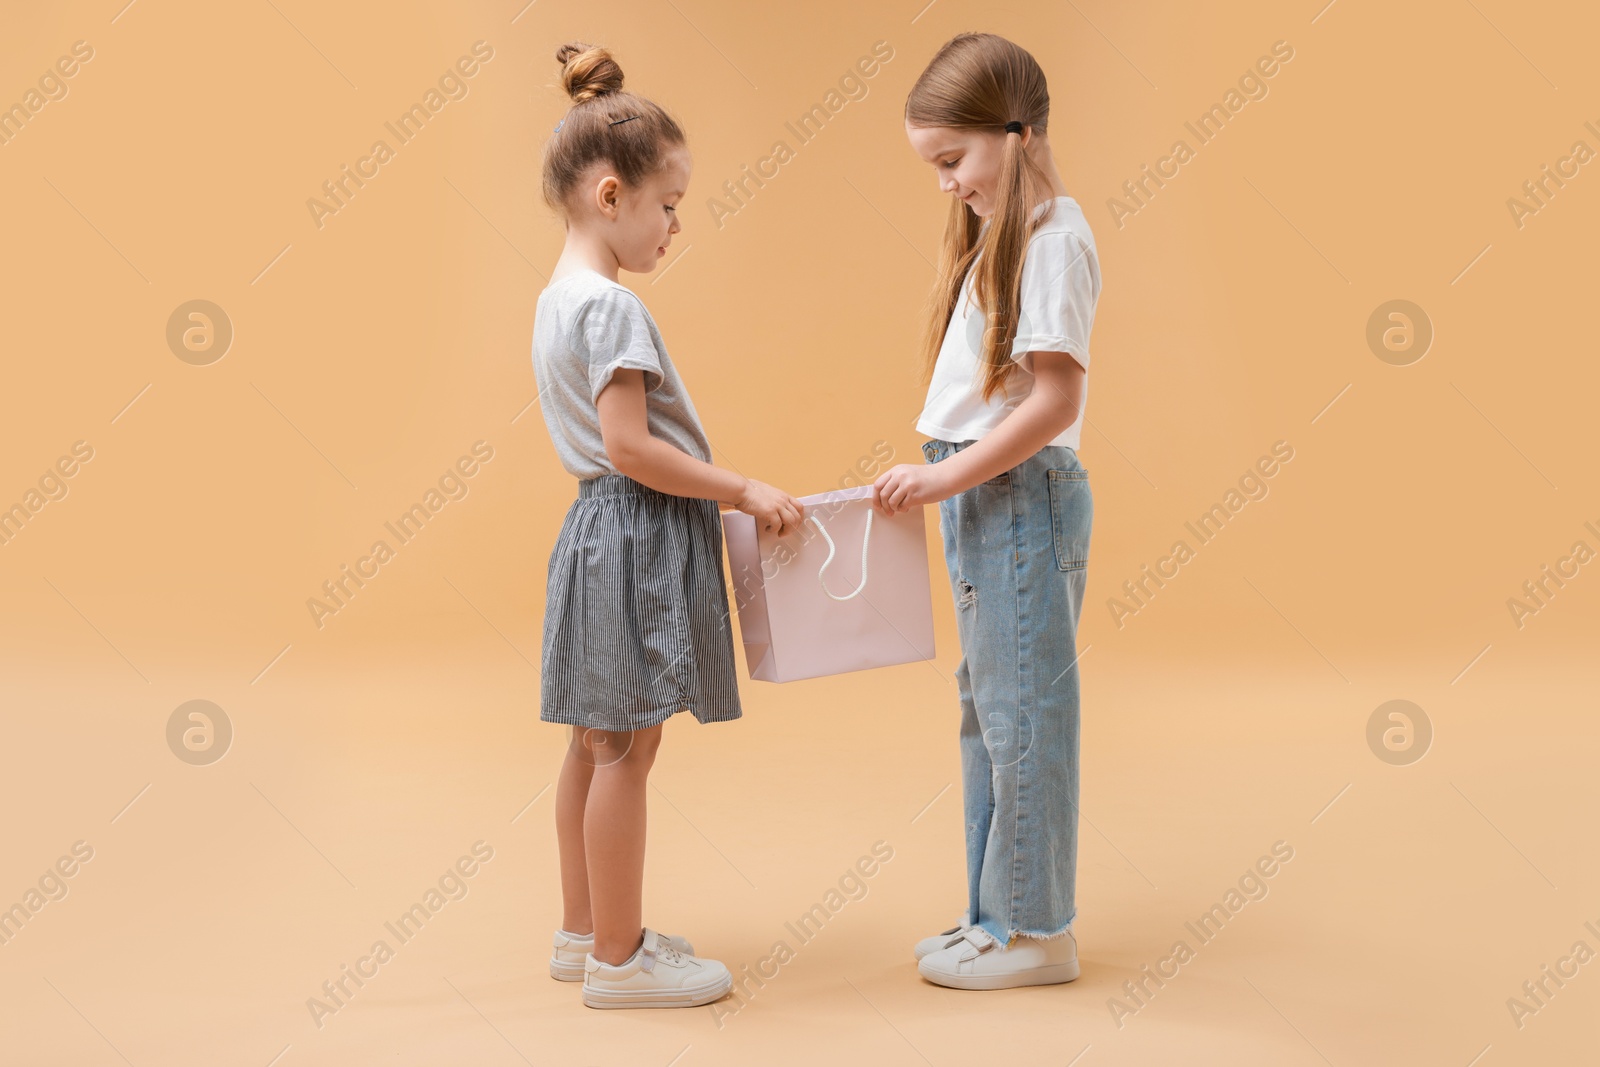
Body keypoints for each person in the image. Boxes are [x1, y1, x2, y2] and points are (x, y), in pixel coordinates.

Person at [532, 41, 804, 1010]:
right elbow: (632, 448)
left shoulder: (557, 299)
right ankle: (619, 958)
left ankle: (583, 930)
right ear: (611, 197)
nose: (676, 225)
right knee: (626, 749)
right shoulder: (614, 311)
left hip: (596, 532)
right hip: (635, 530)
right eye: (669, 203)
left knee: (593, 740)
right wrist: (742, 488)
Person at [873, 32, 1101, 990]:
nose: (945, 184)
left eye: (952, 160)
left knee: (1025, 714)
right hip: (984, 500)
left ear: (1019, 134)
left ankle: (1036, 930)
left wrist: (943, 477)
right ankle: (990, 915)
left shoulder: (1053, 243)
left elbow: (1053, 402)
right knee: (990, 710)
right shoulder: (1002, 240)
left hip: (1013, 497)